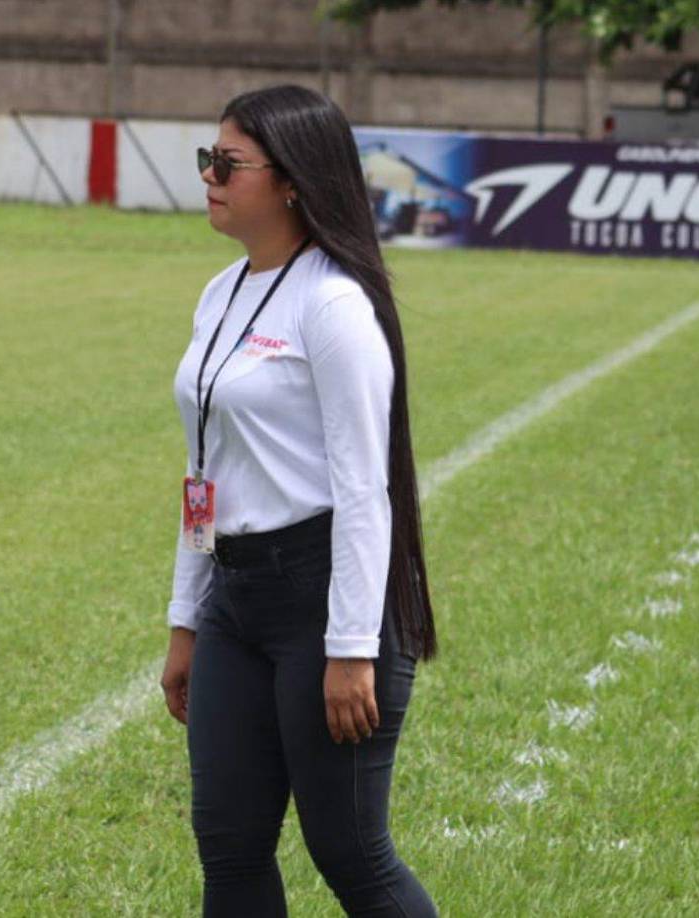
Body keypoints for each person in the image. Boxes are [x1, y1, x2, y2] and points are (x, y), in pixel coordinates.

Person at [159, 84, 440, 917]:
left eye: (229, 162)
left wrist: (350, 648)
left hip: (322, 600)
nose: (210, 175)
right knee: (230, 848)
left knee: (350, 853)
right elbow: (202, 470)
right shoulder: (221, 292)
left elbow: (365, 489)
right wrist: (186, 621)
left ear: (292, 181)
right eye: (207, 158)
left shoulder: (334, 304)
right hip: (234, 603)